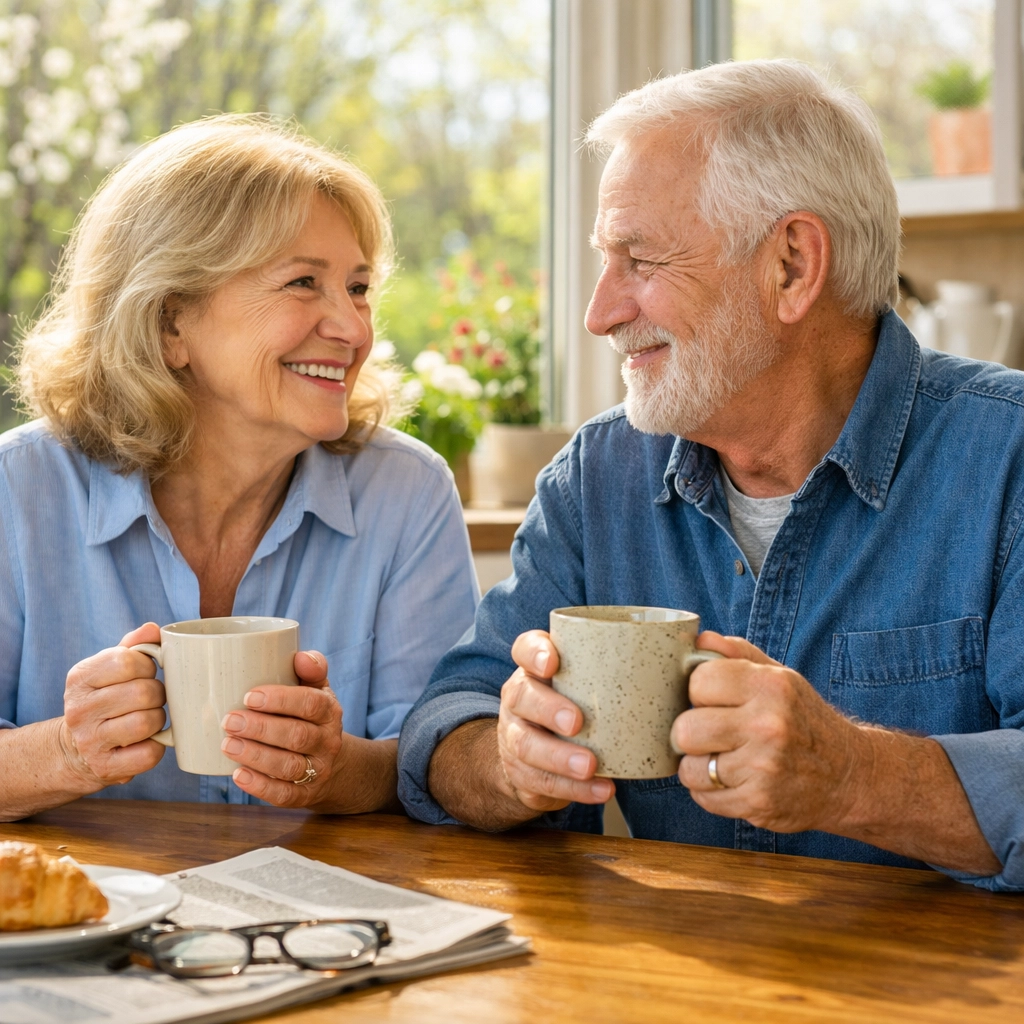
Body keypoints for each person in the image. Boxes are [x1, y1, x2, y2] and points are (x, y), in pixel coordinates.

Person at [397, 59, 1024, 891]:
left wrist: (852, 775)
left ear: (792, 265)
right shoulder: (597, 478)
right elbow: (445, 724)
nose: (599, 313)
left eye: (640, 260)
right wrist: (508, 758)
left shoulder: (1007, 459)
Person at [0, 115, 478, 820]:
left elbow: (434, 763)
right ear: (170, 323)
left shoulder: (407, 491)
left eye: (357, 287)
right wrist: (69, 752)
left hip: (320, 895)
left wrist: (337, 769)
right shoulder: (17, 489)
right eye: (302, 282)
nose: (353, 328)